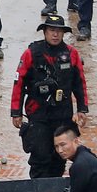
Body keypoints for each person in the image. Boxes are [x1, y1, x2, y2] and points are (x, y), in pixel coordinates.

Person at [10, 14, 89, 178]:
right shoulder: (31, 53)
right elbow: (18, 83)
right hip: (38, 113)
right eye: (52, 30)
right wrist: (16, 112)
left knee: (61, 154)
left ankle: (56, 191)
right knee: (40, 155)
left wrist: (82, 108)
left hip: (63, 113)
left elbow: (80, 83)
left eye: (59, 31)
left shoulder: (72, 53)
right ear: (45, 32)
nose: (55, 34)